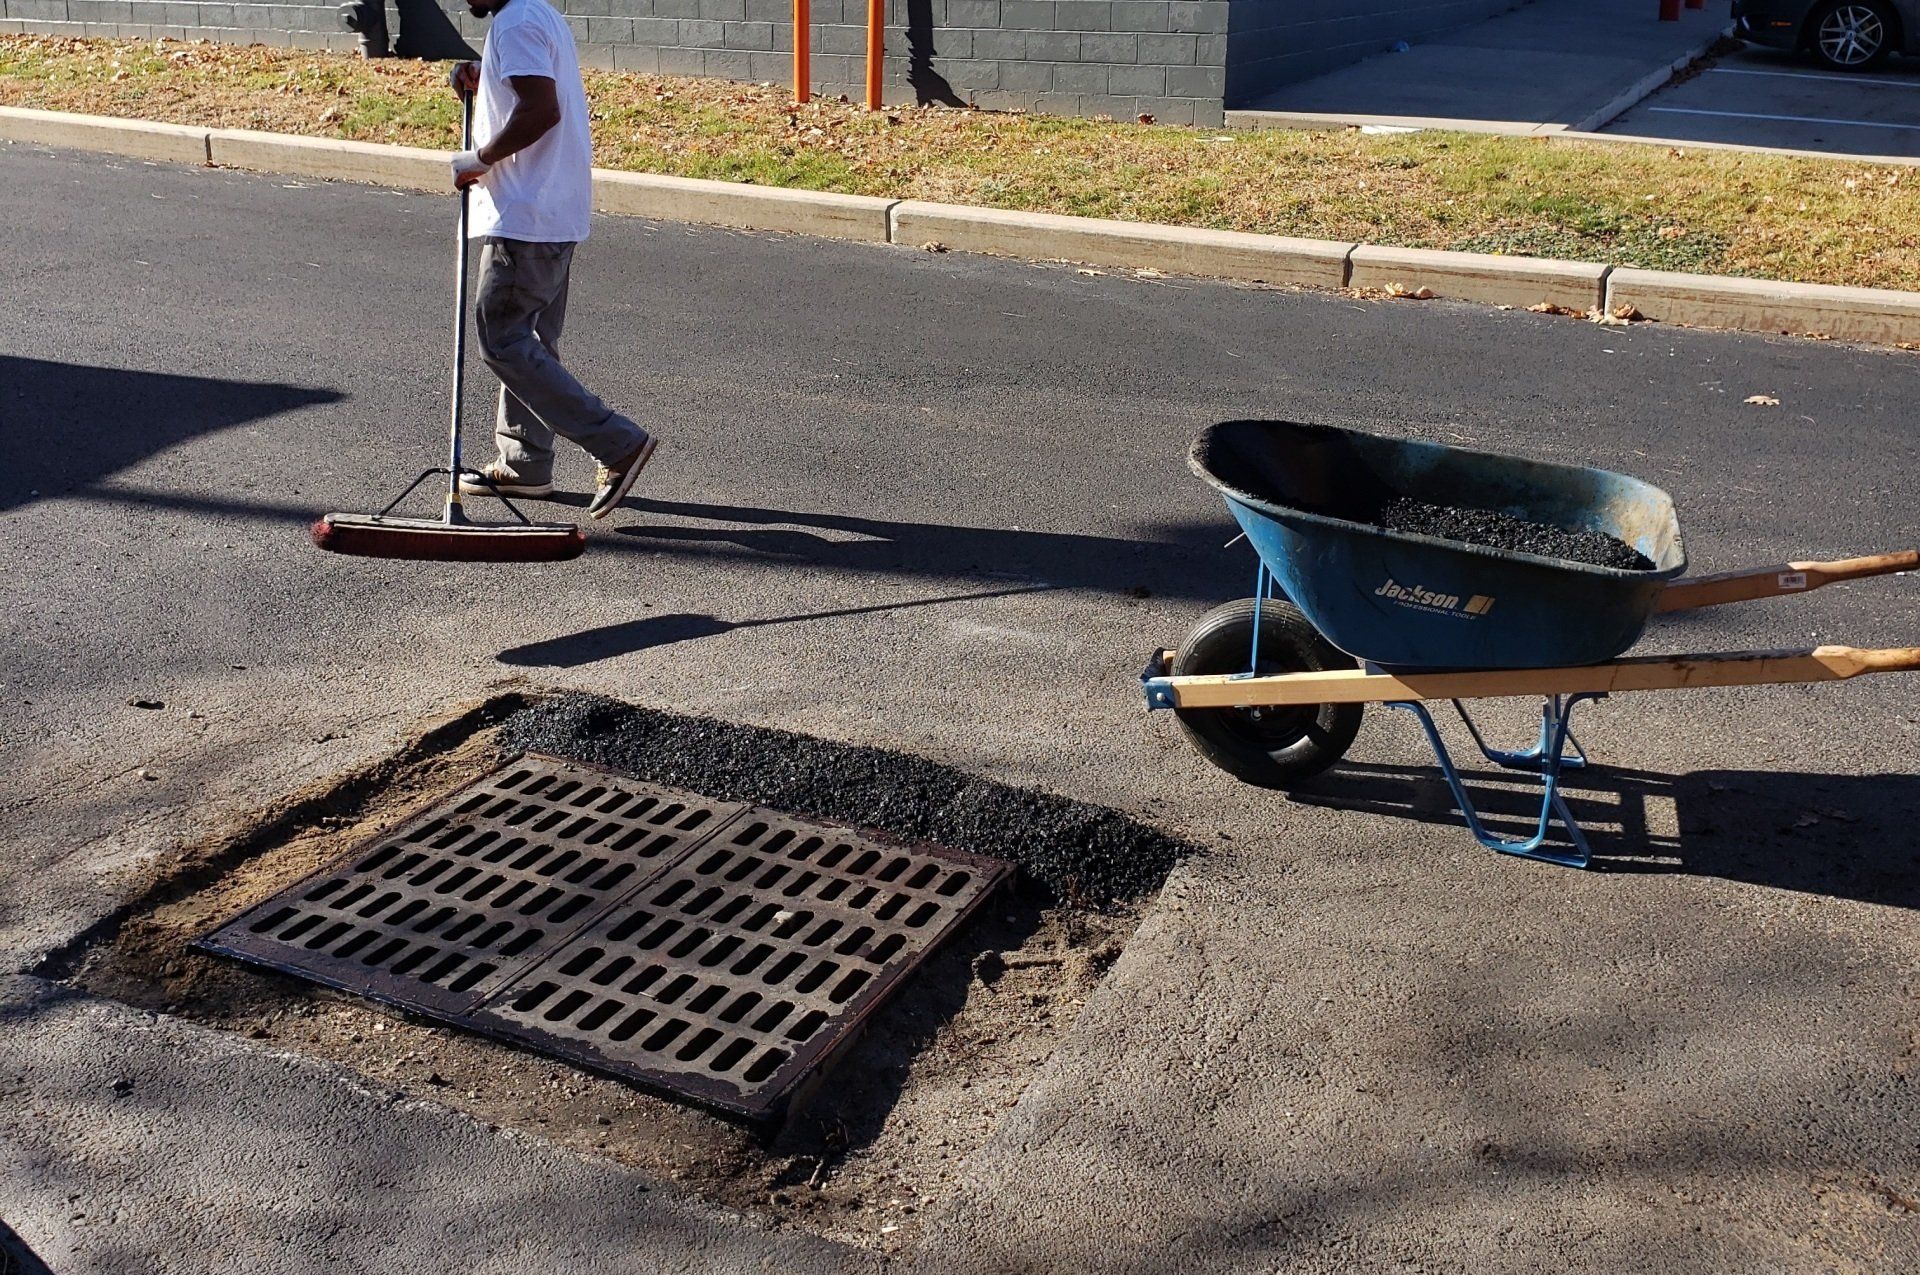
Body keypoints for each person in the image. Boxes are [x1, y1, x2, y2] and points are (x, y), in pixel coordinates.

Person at [449, 0, 656, 520]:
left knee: (502, 339)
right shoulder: (534, 14)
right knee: (533, 341)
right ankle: (525, 461)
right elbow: (531, 87)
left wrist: (481, 159)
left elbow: (541, 109)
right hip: (554, 210)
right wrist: (486, 74)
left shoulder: (515, 21)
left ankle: (617, 443)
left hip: (526, 216)